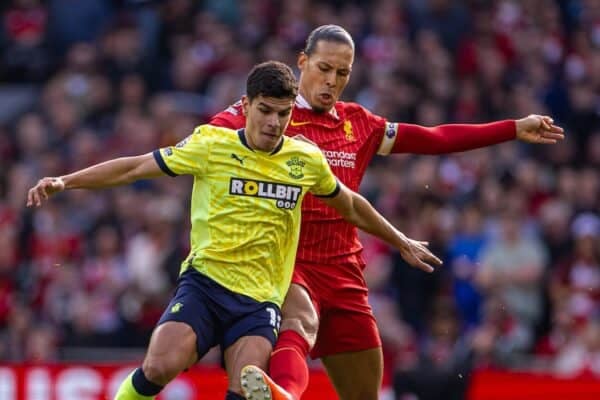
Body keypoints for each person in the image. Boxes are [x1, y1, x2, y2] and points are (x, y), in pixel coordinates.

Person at [26, 61, 442, 400]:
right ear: (246, 106)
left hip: (260, 300)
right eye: (265, 110)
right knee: (158, 366)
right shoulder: (211, 145)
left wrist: (399, 239)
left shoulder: (306, 160)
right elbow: (135, 166)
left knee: (247, 388)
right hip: (205, 285)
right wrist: (67, 180)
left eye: (283, 113)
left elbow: (349, 204)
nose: (274, 122)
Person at [209, 25, 565, 400]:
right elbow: (206, 141)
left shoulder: (358, 124)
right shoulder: (271, 114)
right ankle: (282, 393)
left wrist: (511, 128)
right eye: (324, 68)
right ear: (302, 62)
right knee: (297, 321)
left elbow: (433, 138)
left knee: (365, 393)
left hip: (344, 274)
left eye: (342, 73)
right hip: (287, 262)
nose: (331, 81)